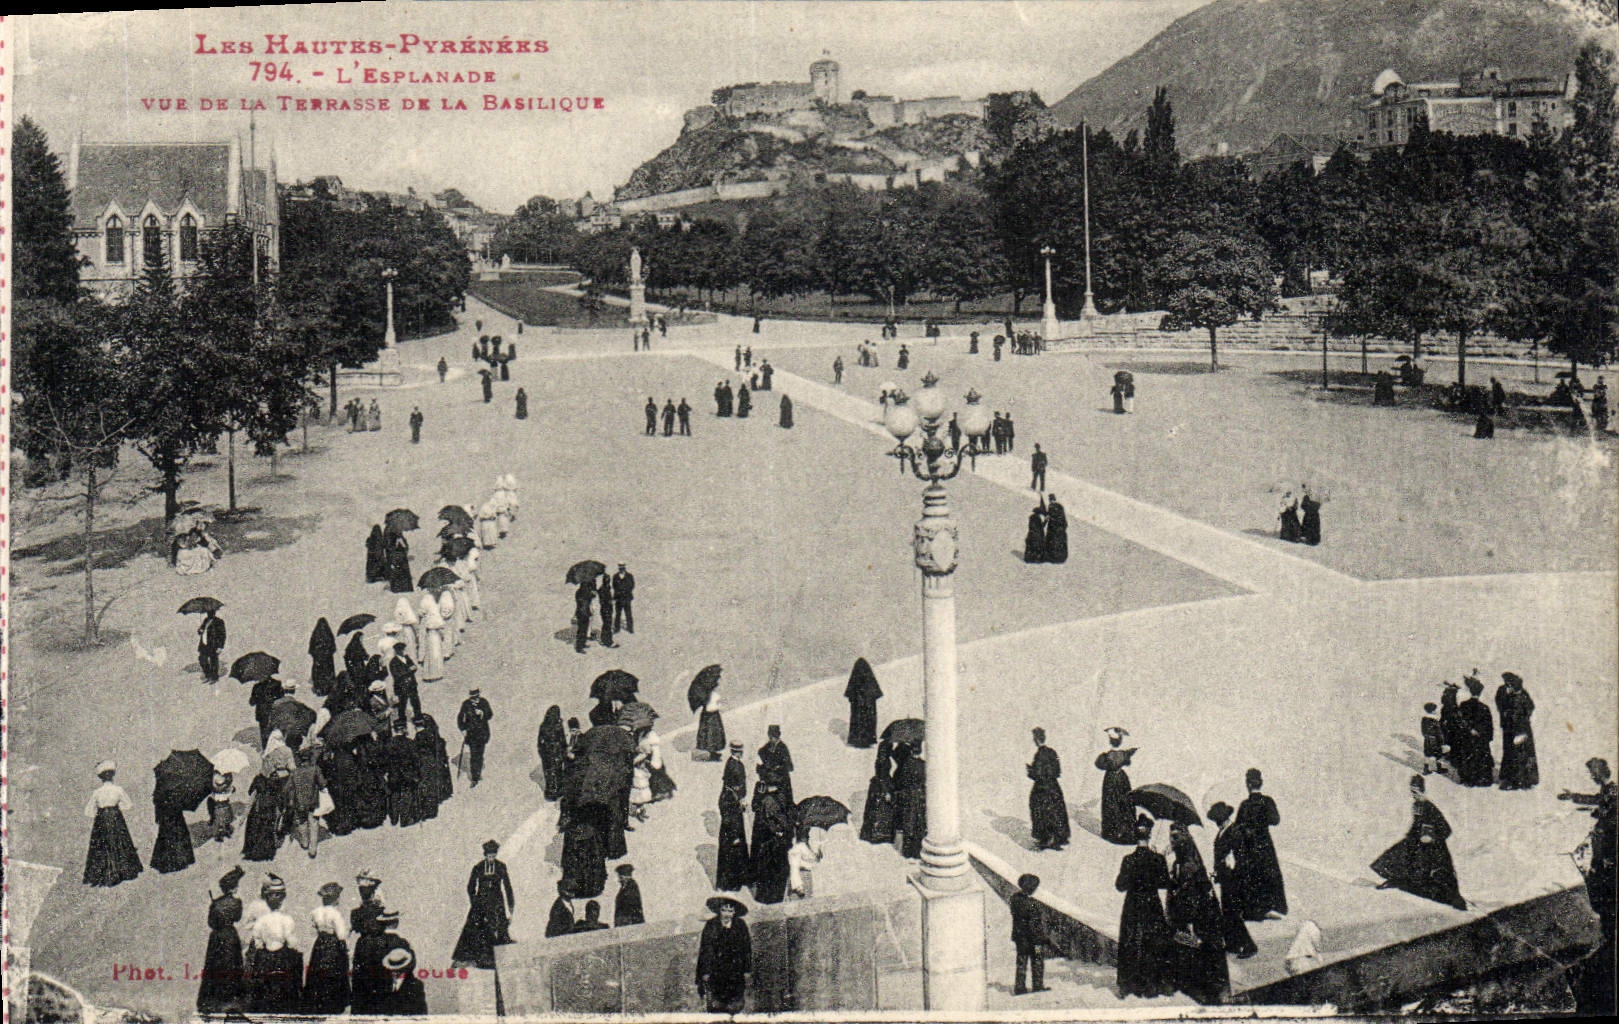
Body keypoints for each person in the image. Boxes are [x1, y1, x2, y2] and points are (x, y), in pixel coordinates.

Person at [1372, 775, 1466, 910]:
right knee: (1399, 854)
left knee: (1438, 873)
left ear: (1422, 791)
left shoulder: (1430, 807)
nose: (1413, 795)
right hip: (1418, 844)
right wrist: (1411, 836)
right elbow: (1416, 826)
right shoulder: (1417, 806)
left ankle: (1449, 899)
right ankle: (1398, 881)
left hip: (1434, 848)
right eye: (1412, 791)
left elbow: (1446, 829)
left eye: (1416, 792)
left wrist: (1432, 837)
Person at [1166, 822, 1229, 1003]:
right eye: (1171, 837)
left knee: (1203, 954)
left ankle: (1210, 993)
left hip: (1199, 917)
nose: (1172, 841)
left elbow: (1189, 893)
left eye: (1175, 837)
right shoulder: (1182, 862)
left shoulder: (1188, 864)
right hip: (1195, 915)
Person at [1115, 815, 1173, 998]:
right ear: (1149, 835)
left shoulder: (1128, 860)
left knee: (1130, 941)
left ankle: (1129, 984)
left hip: (1132, 905)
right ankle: (1152, 984)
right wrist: (1161, 860)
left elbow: (1120, 886)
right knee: (1153, 941)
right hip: (1151, 904)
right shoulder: (1157, 859)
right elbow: (1164, 883)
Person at [245, 875, 304, 1014]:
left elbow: (258, 943)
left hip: (266, 959)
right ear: (282, 899)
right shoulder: (287, 920)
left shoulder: (261, 921)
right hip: (282, 959)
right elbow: (291, 942)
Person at [1205, 802, 1257, 959]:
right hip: (1225, 877)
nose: (1216, 822)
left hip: (1234, 878)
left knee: (1233, 912)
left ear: (1224, 818)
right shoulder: (1222, 832)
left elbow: (1239, 855)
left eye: (1218, 819)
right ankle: (1232, 944)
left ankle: (1249, 946)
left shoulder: (1234, 831)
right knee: (1227, 911)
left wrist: (1231, 864)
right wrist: (1217, 872)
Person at [452, 840, 516, 969]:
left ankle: (497, 957)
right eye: (489, 856)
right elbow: (470, 887)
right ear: (485, 855)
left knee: (499, 927)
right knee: (474, 926)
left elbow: (508, 887)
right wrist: (475, 901)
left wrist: (511, 906)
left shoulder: (501, 866)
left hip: (497, 902)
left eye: (493, 856)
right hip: (480, 902)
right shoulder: (478, 867)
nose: (491, 858)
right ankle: (468, 957)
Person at [1233, 769, 1286, 920]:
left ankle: (1254, 910)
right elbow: (1275, 820)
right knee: (1268, 873)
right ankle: (1271, 907)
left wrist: (1247, 828)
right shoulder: (1267, 801)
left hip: (1249, 845)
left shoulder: (1244, 805)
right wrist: (1261, 822)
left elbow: (1237, 827)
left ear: (1247, 784)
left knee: (1250, 875)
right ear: (1260, 783)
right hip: (1264, 843)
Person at [84, 761, 143, 886]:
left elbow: (88, 811)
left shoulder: (97, 792)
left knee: (102, 843)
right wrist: (116, 809)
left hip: (101, 819)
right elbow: (128, 805)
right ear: (113, 775)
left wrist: (100, 813)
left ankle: (104, 872)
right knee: (120, 841)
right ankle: (122, 871)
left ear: (101, 777)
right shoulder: (118, 789)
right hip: (116, 817)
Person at [197, 865, 246, 1015]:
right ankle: (231, 1000)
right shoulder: (237, 903)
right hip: (230, 937)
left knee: (214, 968)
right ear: (233, 887)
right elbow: (237, 917)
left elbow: (211, 922)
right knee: (232, 967)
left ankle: (213, 1001)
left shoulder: (216, 903)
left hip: (217, 938)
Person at [697, 896, 752, 1014]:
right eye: (724, 910)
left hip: (735, 970)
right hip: (716, 970)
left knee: (735, 1003)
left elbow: (746, 948)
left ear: (734, 912)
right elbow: (706, 949)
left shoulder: (740, 925)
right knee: (716, 1003)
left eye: (730, 911)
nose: (727, 914)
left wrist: (747, 969)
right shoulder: (711, 925)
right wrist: (705, 972)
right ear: (719, 910)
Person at [303, 882, 351, 1014]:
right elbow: (341, 935)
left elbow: (313, 931)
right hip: (333, 946)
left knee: (318, 973)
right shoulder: (336, 914)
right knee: (334, 974)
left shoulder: (315, 912)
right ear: (336, 898)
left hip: (320, 945)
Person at [749, 776, 793, 903]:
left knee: (772, 869)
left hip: (772, 839)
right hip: (769, 837)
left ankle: (770, 897)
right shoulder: (766, 793)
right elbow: (756, 807)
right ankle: (769, 897)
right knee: (770, 870)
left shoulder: (778, 795)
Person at [1027, 728, 1071, 851]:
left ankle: (1046, 839)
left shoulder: (1039, 754)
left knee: (1040, 810)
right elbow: (1057, 770)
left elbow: (1037, 774)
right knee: (1056, 811)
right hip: (1054, 786)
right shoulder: (1052, 752)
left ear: (1036, 740)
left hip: (1042, 787)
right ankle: (1059, 836)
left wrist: (1030, 770)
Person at [1495, 672, 1538, 790]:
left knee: (1519, 752)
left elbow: (1530, 708)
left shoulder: (1521, 695)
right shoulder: (1505, 692)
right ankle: (1513, 778)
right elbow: (1500, 705)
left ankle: (1520, 779)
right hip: (1511, 728)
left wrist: (1521, 716)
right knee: (1512, 752)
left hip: (1519, 728)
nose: (1508, 685)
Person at [1009, 873, 1050, 995]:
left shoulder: (1014, 899)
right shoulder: (1033, 903)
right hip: (1035, 940)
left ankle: (1019, 987)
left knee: (1021, 962)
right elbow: (1035, 924)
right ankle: (1037, 985)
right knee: (1038, 960)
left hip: (1020, 938)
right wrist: (1042, 938)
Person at [1455, 675, 1496, 787]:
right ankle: (1481, 779)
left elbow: (1459, 721)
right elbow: (1489, 726)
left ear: (1470, 691)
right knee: (1481, 757)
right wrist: (1486, 737)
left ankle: (1468, 779)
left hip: (1467, 737)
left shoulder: (1463, 705)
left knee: (1468, 756)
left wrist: (1469, 730)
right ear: (1480, 693)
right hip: (1481, 738)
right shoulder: (1485, 708)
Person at [717, 767, 752, 891]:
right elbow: (728, 819)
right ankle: (729, 885)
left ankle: (737, 881)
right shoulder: (727, 796)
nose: (739, 787)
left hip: (735, 830)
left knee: (736, 856)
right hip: (731, 833)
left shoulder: (731, 793)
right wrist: (734, 835)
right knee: (731, 859)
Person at [288, 747, 327, 858]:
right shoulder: (315, 769)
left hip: (299, 802)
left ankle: (304, 842)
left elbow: (288, 787)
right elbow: (322, 784)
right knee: (314, 824)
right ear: (310, 758)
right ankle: (312, 849)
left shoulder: (295, 772)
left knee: (301, 821)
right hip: (313, 801)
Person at [893, 742, 927, 860]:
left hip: (909, 796)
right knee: (920, 823)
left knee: (909, 823)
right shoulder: (924, 764)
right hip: (920, 796)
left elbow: (901, 781)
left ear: (911, 751)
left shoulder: (906, 765)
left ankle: (908, 852)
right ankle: (918, 851)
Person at [859, 740, 897, 845]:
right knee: (881, 811)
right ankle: (879, 834)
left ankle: (873, 833)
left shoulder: (881, 759)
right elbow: (882, 777)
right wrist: (886, 792)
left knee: (874, 811)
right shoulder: (883, 761)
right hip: (882, 787)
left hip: (877, 786)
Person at [458, 688, 494, 787]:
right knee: (474, 755)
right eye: (473, 698)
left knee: (480, 754)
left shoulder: (484, 702)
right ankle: (475, 777)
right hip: (471, 735)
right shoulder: (466, 705)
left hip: (482, 734)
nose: (476, 699)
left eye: (477, 696)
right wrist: (463, 730)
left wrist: (483, 713)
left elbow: (490, 714)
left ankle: (478, 772)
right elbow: (460, 719)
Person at [844, 657, 883, 748]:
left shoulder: (855, 679)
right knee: (869, 721)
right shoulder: (870, 679)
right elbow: (876, 694)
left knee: (857, 721)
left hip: (858, 706)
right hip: (869, 706)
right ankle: (868, 740)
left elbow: (850, 695)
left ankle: (857, 740)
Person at [377, 946, 428, 1015]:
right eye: (393, 969)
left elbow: (421, 1011)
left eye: (398, 969)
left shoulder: (416, 985)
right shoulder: (383, 984)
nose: (395, 972)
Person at [758, 725, 795, 809]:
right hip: (769, 782)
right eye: (770, 737)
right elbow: (759, 764)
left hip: (782, 784)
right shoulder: (766, 748)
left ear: (778, 736)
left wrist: (779, 767)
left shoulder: (783, 748)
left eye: (774, 737)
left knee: (784, 806)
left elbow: (790, 767)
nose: (772, 739)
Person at [538, 705, 569, 802]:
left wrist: (542, 752)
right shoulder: (557, 725)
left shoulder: (544, 726)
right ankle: (557, 790)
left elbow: (540, 742)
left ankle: (551, 792)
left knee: (550, 773)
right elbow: (562, 740)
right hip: (556, 753)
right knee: (556, 772)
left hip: (549, 754)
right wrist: (564, 750)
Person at [696, 673, 726, 761]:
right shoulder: (710, 695)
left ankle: (714, 753)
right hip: (711, 717)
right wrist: (718, 707)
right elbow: (709, 708)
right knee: (712, 736)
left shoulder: (708, 694)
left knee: (714, 735)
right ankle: (713, 754)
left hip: (711, 717)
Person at [417, 592, 446, 682]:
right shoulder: (435, 615)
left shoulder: (425, 618)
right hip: (435, 636)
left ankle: (429, 673)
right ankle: (437, 673)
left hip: (429, 635)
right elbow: (441, 625)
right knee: (436, 653)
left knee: (430, 654)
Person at [390, 642, 420, 727]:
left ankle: (418, 717)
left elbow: (414, 667)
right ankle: (402, 720)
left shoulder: (407, 657)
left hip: (412, 684)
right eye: (403, 650)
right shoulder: (393, 662)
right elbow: (397, 675)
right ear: (398, 651)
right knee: (402, 704)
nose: (404, 651)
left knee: (415, 702)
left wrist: (408, 670)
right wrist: (409, 670)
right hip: (401, 687)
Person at [787, 827, 822, 899]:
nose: (808, 837)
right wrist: (798, 885)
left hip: (806, 875)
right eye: (806, 834)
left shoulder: (805, 846)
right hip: (801, 878)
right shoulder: (799, 847)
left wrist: (818, 852)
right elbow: (795, 867)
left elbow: (814, 859)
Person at [197, 607, 227, 683]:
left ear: (214, 612)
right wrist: (200, 630)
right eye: (208, 612)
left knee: (213, 661)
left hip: (214, 645)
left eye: (211, 612)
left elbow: (222, 635)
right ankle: (208, 675)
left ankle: (214, 677)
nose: (209, 613)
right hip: (204, 644)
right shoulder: (205, 620)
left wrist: (220, 646)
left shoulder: (219, 621)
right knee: (202, 659)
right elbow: (201, 630)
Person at [309, 618, 338, 696]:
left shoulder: (315, 635)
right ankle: (328, 688)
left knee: (319, 674)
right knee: (327, 673)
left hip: (318, 659)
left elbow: (311, 649)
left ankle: (319, 689)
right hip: (328, 660)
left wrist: (317, 655)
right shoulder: (329, 635)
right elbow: (333, 648)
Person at [384, 526, 413, 594]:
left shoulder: (400, 537)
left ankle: (402, 588)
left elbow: (406, 547)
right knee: (397, 573)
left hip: (400, 558)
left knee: (400, 573)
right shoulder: (390, 536)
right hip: (397, 558)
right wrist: (396, 545)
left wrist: (401, 543)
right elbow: (389, 548)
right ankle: (399, 588)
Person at [1421, 702, 1446, 775]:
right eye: (1435, 709)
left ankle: (1425, 769)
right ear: (1432, 711)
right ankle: (1439, 768)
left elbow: (1423, 731)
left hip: (1427, 740)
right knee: (1439, 754)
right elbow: (1439, 732)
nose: (1436, 711)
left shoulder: (1424, 720)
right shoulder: (1435, 720)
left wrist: (1426, 737)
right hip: (1435, 740)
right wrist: (1442, 741)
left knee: (1427, 754)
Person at [1043, 494, 1069, 564]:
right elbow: (1062, 517)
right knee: (1058, 542)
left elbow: (1048, 517)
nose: (1051, 501)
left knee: (1053, 541)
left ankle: (1053, 557)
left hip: (1054, 528)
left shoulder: (1052, 506)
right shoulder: (1059, 506)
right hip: (1059, 527)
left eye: (1051, 499)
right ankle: (1058, 558)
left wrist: (1043, 525)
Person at [612, 564, 635, 634]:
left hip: (626, 597)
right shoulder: (615, 576)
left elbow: (632, 585)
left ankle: (630, 628)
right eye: (620, 568)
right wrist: (618, 592)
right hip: (618, 598)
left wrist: (626, 591)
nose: (621, 569)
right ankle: (617, 628)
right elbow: (614, 586)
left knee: (628, 613)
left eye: (623, 568)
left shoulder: (629, 576)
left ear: (625, 568)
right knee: (618, 613)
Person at [574, 576, 595, 653]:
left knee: (583, 629)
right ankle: (579, 647)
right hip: (584, 613)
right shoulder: (586, 593)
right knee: (582, 630)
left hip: (581, 612)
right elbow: (592, 596)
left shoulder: (578, 592)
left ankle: (582, 643)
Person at [598, 573, 617, 648]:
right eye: (607, 580)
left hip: (606, 609)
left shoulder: (606, 588)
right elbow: (603, 601)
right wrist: (611, 601)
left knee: (606, 624)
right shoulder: (603, 589)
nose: (608, 581)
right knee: (607, 625)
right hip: (606, 609)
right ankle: (608, 642)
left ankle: (603, 639)